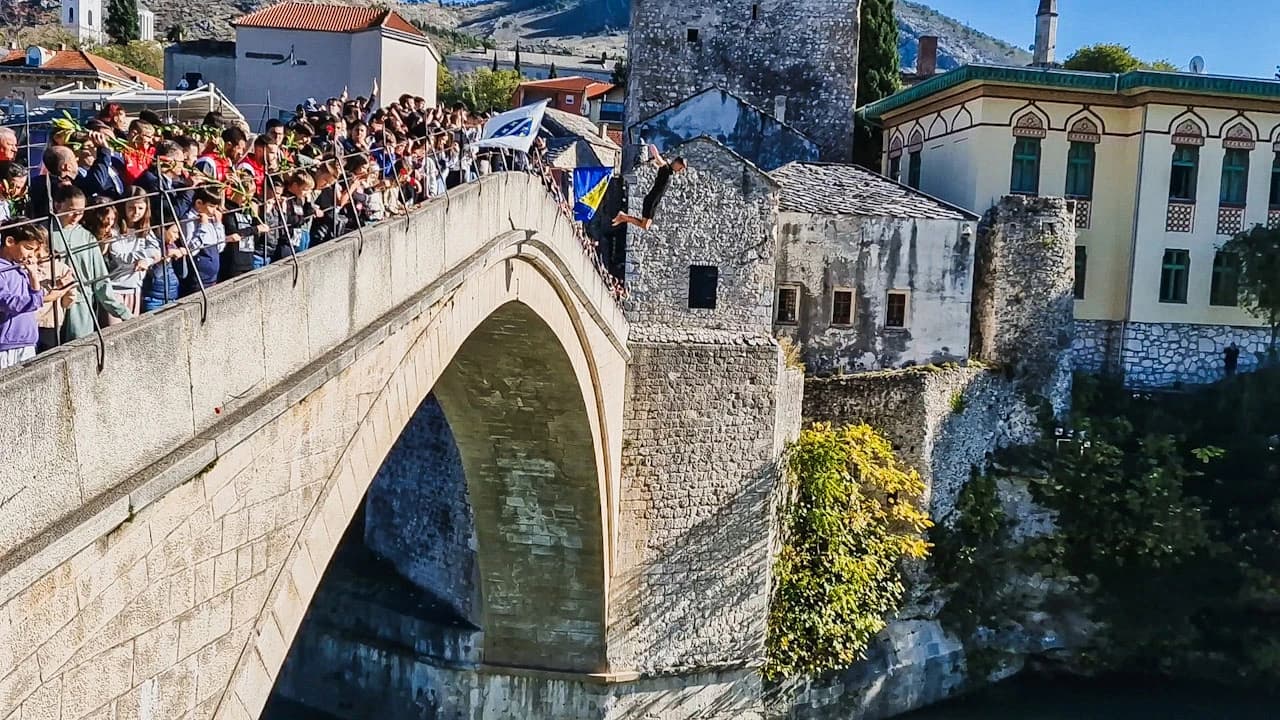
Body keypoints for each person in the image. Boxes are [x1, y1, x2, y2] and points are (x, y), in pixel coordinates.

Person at [49, 185, 132, 341]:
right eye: (72, 210)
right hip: (52, 305)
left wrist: (122, 312)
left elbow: (101, 280)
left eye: (81, 211)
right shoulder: (45, 234)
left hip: (81, 305)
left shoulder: (87, 238)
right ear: (57, 205)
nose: (76, 215)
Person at [0, 223, 48, 368]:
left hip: (28, 339)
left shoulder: (20, 268)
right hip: (6, 343)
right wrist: (35, 299)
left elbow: (35, 295)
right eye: (28, 248)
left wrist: (33, 275)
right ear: (10, 242)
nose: (31, 255)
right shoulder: (3, 269)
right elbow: (5, 302)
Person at [612, 146, 687, 231]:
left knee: (645, 226)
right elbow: (659, 159)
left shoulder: (670, 172)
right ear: (676, 163)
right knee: (644, 225)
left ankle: (623, 217)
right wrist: (653, 150)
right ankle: (623, 216)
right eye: (681, 167)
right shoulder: (665, 167)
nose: (680, 170)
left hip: (654, 202)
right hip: (651, 200)